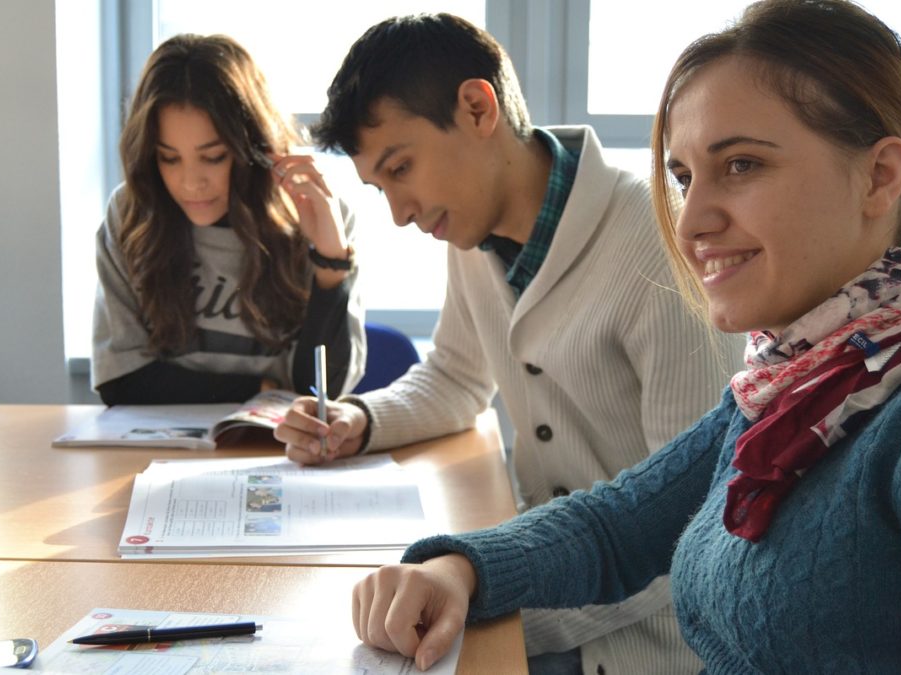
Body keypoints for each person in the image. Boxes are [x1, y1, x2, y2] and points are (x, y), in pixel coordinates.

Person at [348, 0, 901, 672]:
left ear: (881, 176)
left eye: (741, 165)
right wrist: (459, 569)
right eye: (683, 177)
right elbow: (618, 524)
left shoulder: (898, 418)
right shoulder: (792, 380)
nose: (690, 222)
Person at [274, 13, 741, 675]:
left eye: (401, 168)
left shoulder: (655, 245)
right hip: (536, 577)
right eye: (381, 189)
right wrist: (363, 419)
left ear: (476, 106)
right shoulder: (472, 233)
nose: (400, 213)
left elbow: (688, 526)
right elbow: (457, 377)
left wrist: (497, 602)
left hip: (639, 641)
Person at [92, 34, 366, 405]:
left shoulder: (313, 216)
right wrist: (259, 390)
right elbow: (121, 381)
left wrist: (331, 263)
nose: (191, 183)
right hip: (158, 452)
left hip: (278, 452)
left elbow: (320, 392)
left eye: (214, 157)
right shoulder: (131, 214)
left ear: (251, 149)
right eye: (169, 158)